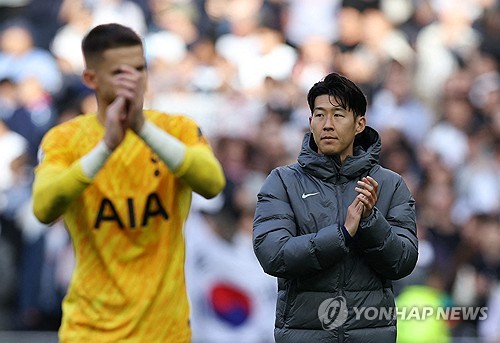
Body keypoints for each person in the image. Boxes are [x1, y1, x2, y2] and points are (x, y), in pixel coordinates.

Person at [32, 23, 226, 342]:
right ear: (90, 79)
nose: (134, 81)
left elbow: (212, 182)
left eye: (140, 69)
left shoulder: (176, 129)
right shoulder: (66, 139)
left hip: (165, 331)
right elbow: (43, 207)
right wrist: (106, 147)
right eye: (121, 73)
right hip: (89, 330)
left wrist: (142, 128)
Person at [253, 72, 418, 342]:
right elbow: (273, 254)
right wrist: (341, 234)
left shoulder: (390, 184)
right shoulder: (282, 181)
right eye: (320, 115)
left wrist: (369, 222)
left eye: (339, 115)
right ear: (310, 122)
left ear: (359, 124)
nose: (327, 124)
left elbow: (403, 262)